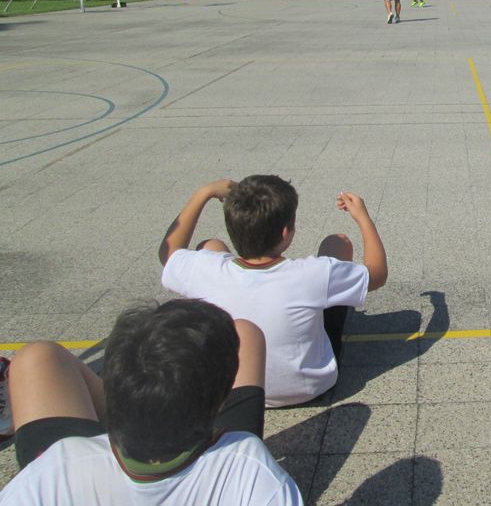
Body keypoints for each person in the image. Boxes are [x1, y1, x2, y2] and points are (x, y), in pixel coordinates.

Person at [0, 299, 301, 505]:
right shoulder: (250, 469)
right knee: (245, 333)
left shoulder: (53, 469)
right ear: (220, 404)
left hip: (85, 470)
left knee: (37, 356)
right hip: (210, 458)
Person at [159, 176, 388, 408]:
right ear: (286, 232)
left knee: (209, 246)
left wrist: (204, 193)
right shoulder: (314, 273)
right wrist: (363, 218)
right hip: (310, 386)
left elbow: (168, 253)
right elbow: (378, 274)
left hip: (233, 388)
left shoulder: (206, 270)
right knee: (337, 242)